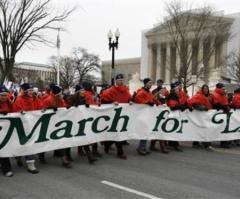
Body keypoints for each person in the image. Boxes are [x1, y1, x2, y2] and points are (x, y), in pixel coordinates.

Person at [100, 74, 131, 159]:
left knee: (118, 133)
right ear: (116, 81)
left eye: (122, 80)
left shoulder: (126, 90)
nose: (121, 81)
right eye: (119, 80)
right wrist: (111, 103)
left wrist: (130, 101)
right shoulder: (110, 90)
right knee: (117, 133)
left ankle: (107, 144)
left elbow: (128, 98)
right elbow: (103, 100)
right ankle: (120, 152)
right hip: (113, 114)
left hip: (123, 114)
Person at [42, 84, 72, 168]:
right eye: (60, 94)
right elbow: (42, 111)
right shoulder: (48, 100)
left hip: (58, 123)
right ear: (56, 94)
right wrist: (50, 109)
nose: (61, 95)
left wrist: (68, 107)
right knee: (45, 141)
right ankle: (41, 156)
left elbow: (63, 106)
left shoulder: (60, 99)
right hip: (48, 124)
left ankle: (64, 159)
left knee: (61, 140)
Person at [68, 83, 98, 164]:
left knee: (84, 137)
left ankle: (90, 157)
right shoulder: (71, 98)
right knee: (70, 139)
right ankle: (67, 155)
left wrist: (86, 105)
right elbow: (67, 108)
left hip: (80, 121)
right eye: (81, 90)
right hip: (72, 122)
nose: (83, 92)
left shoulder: (83, 97)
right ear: (77, 91)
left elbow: (83, 108)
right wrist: (74, 106)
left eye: (83, 90)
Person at [13, 83, 39, 174]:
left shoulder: (34, 98)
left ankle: (27, 160)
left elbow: (39, 107)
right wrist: (21, 112)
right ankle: (26, 160)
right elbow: (15, 111)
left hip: (32, 124)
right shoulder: (19, 99)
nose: (31, 92)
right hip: (23, 125)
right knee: (25, 142)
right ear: (25, 91)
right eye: (29, 90)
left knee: (30, 143)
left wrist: (44, 109)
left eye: (32, 90)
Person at [133, 78, 160, 155]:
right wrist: (147, 102)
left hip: (147, 115)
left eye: (151, 83)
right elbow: (137, 100)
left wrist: (159, 104)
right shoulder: (142, 92)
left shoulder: (149, 92)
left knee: (146, 131)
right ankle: (141, 148)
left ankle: (143, 147)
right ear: (145, 84)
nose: (151, 85)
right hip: (142, 115)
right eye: (149, 83)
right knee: (144, 131)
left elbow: (153, 99)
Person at [188, 84, 214, 151]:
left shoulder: (210, 96)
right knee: (201, 129)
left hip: (206, 116)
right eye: (204, 88)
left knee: (205, 129)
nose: (206, 90)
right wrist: (202, 107)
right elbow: (193, 103)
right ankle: (205, 145)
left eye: (207, 89)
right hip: (199, 116)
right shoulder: (198, 95)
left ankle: (200, 143)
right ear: (202, 89)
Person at [150, 79, 169, 153]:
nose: (160, 84)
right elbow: (152, 100)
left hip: (163, 112)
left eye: (161, 83)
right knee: (159, 129)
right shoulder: (154, 92)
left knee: (159, 129)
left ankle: (152, 145)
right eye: (158, 82)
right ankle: (162, 147)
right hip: (157, 113)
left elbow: (167, 100)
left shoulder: (165, 92)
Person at [166, 81, 184, 151]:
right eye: (177, 89)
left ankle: (172, 143)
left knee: (173, 130)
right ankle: (175, 144)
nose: (178, 90)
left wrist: (181, 106)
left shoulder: (175, 95)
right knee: (174, 129)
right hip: (173, 115)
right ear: (174, 89)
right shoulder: (172, 95)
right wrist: (180, 106)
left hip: (174, 115)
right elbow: (172, 107)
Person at [211, 83, 230, 148]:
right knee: (214, 128)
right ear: (219, 88)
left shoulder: (224, 95)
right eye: (223, 88)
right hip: (215, 115)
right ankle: (207, 141)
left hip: (222, 115)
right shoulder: (214, 94)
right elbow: (214, 104)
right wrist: (223, 107)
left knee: (224, 128)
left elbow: (226, 103)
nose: (224, 90)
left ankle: (224, 142)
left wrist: (227, 107)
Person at [0, 86, 13, 177]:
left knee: (4, 148)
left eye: (5, 95)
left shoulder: (9, 102)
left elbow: (14, 111)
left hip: (6, 128)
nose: (4, 97)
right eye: (2, 95)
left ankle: (7, 169)